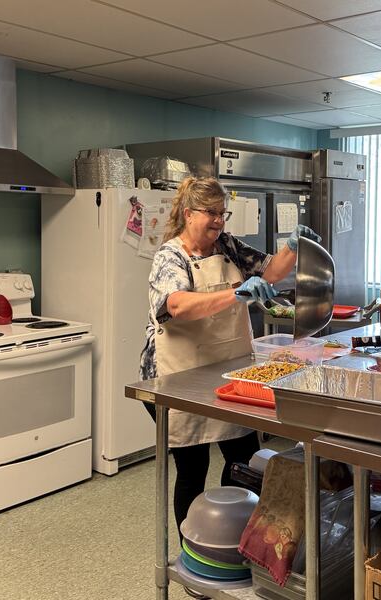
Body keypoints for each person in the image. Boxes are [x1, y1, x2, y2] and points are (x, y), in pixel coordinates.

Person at [139, 176, 321, 538]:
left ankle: (234, 536)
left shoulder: (227, 245)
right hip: (179, 376)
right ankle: (195, 548)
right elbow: (175, 305)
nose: (219, 220)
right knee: (193, 469)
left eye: (223, 213)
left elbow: (270, 270)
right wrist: (237, 293)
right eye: (212, 213)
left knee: (242, 462)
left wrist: (292, 246)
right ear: (189, 214)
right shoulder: (170, 255)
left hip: (228, 373)